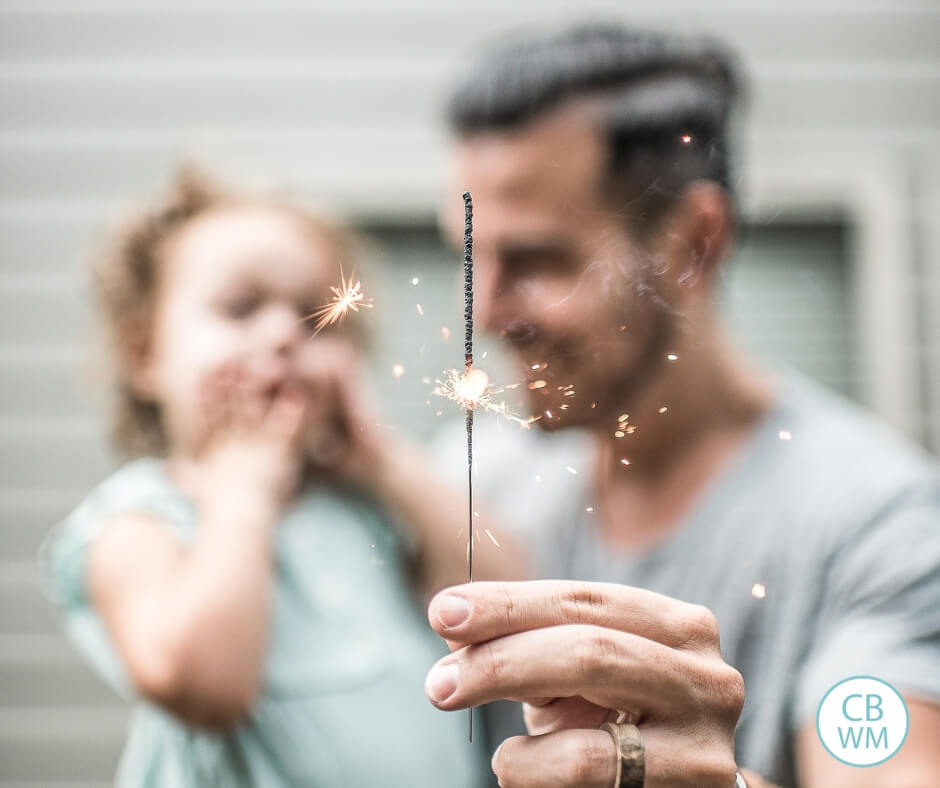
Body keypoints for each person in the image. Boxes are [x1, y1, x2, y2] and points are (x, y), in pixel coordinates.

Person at [423, 22, 940, 787]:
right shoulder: (486, 478)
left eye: (536, 260)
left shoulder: (876, 526)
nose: (488, 310)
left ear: (693, 241)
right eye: (472, 257)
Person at [39, 167, 507, 786]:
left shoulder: (364, 508)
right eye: (241, 308)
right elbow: (203, 686)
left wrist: (383, 459)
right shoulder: (140, 519)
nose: (286, 333)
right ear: (144, 354)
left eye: (320, 319)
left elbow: (508, 596)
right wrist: (242, 497)